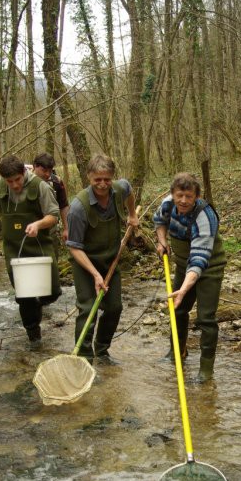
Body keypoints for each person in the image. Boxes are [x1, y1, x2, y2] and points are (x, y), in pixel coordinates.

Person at [0, 154, 61, 342]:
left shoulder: (40, 186)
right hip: (14, 251)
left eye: (17, 179)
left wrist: (38, 225)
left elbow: (53, 216)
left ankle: (38, 303)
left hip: (40, 247)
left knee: (53, 291)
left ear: (24, 172)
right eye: (10, 181)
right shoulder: (1, 185)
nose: (14, 185)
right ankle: (34, 338)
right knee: (25, 297)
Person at [154, 172, 227, 383]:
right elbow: (159, 221)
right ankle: (177, 352)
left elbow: (199, 259)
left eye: (189, 196)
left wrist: (185, 289)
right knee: (177, 309)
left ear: (196, 197)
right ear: (172, 194)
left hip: (209, 267)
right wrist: (162, 241)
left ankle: (206, 370)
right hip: (183, 263)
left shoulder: (205, 216)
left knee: (206, 318)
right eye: (180, 195)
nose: (184, 201)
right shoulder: (168, 204)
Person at [66, 154, 139, 364]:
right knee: (88, 308)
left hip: (111, 260)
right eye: (97, 179)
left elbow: (130, 191)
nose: (103, 184)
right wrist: (96, 275)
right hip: (85, 264)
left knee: (114, 307)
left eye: (107, 178)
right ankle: (84, 358)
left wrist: (132, 214)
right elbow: (74, 247)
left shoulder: (119, 188)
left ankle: (102, 350)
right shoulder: (78, 208)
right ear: (89, 177)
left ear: (112, 177)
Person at [32, 152, 69, 258]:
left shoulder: (56, 182)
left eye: (50, 170)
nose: (47, 174)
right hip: (28, 229)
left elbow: (63, 205)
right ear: (35, 166)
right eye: (44, 170)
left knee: (52, 261)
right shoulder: (25, 181)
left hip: (50, 231)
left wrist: (66, 228)